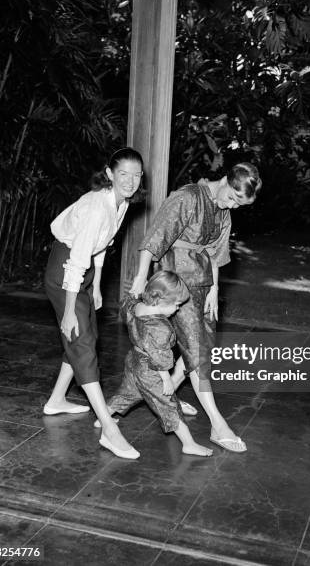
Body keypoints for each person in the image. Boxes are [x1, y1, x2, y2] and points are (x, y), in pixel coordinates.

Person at [130, 163, 262, 452]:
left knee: (205, 345)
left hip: (203, 281)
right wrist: (141, 277)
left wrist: (215, 289)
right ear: (226, 181)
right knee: (196, 349)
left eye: (240, 204)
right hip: (177, 282)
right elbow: (155, 238)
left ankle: (162, 395)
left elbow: (216, 253)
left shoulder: (224, 212)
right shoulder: (187, 197)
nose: (233, 206)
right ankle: (217, 423)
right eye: (233, 198)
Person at [43, 147, 144, 460]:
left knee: (85, 339)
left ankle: (57, 399)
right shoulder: (96, 206)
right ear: (110, 174)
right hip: (65, 272)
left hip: (82, 272)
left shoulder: (121, 202)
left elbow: (102, 245)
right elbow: (75, 261)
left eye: (136, 175)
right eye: (123, 174)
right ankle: (109, 430)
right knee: (82, 341)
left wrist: (97, 284)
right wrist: (71, 308)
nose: (130, 180)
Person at [95, 271, 213, 457]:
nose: (177, 309)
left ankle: (102, 418)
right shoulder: (161, 328)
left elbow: (128, 301)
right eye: (175, 304)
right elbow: (160, 358)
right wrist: (166, 379)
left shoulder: (133, 306)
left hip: (133, 360)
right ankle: (189, 443)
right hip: (151, 371)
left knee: (128, 392)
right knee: (169, 405)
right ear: (159, 301)